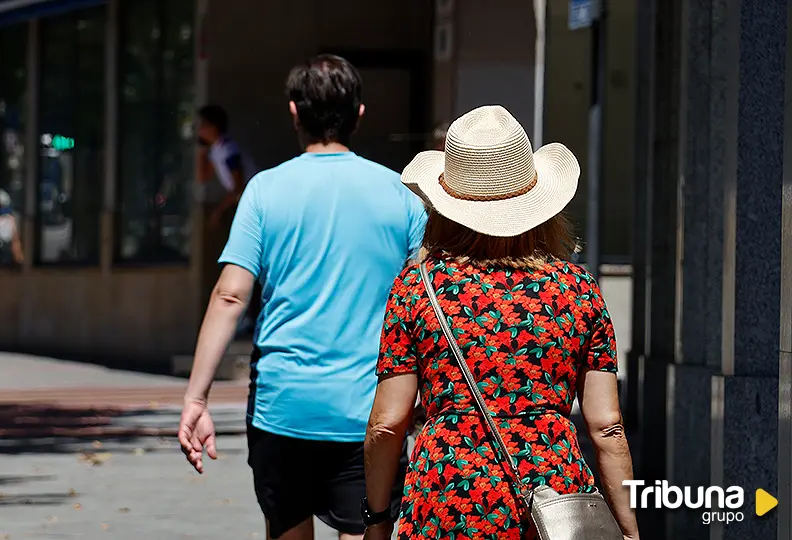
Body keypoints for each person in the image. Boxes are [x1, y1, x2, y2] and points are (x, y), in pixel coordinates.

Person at [178, 55, 428, 540]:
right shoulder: (401, 195)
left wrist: (196, 398)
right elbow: (426, 305)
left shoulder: (264, 191)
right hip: (372, 413)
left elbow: (231, 296)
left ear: (294, 112)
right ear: (358, 114)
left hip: (283, 408)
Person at [362, 106, 639, 540]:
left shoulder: (418, 287)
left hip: (447, 499)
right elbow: (606, 427)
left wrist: (377, 518)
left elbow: (387, 422)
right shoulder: (577, 289)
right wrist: (628, 528)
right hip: (552, 503)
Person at [196, 105, 259, 332]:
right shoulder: (215, 150)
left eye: (203, 125)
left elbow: (238, 187)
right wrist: (202, 152)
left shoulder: (229, 149)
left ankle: (252, 316)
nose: (199, 130)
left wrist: (219, 211)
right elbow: (202, 177)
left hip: (248, 208)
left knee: (248, 263)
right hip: (237, 207)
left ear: (213, 127)